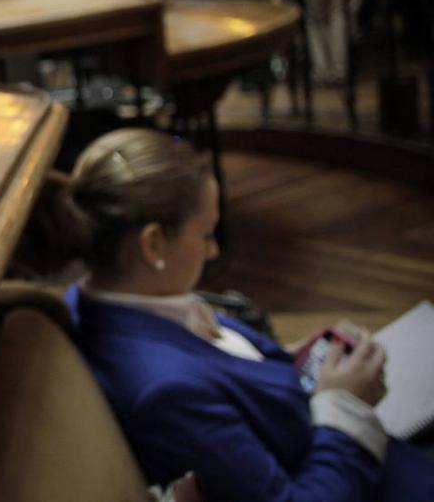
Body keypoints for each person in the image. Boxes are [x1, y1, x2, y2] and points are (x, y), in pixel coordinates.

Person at [54, 128, 434, 501]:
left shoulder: (102, 299)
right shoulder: (165, 392)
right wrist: (348, 405)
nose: (213, 250)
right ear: (153, 244)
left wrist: (285, 361)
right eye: (206, 234)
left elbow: (215, 371)